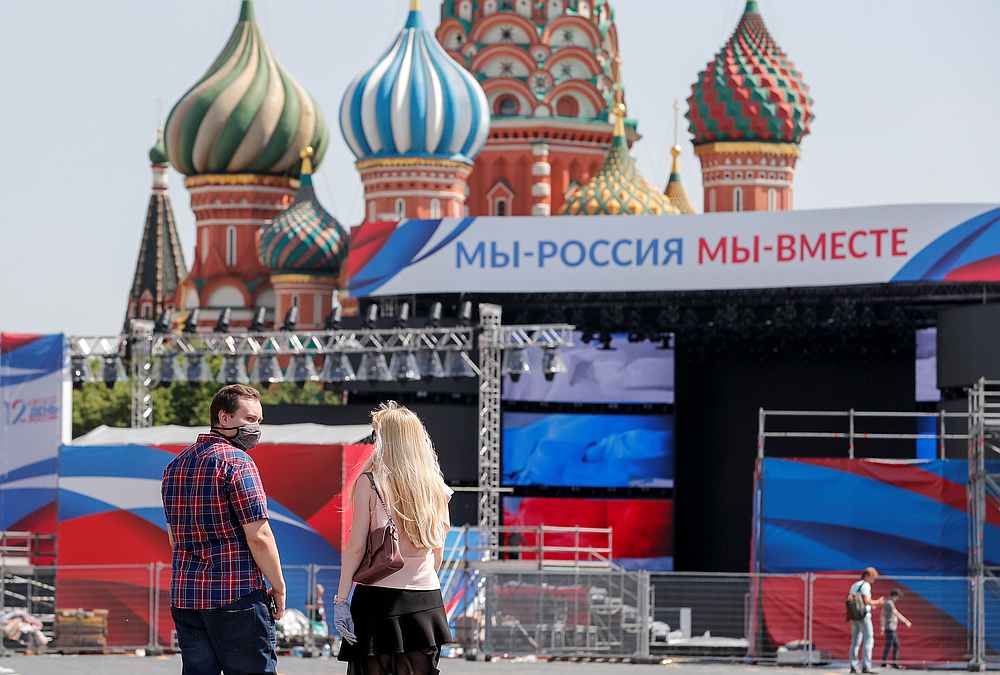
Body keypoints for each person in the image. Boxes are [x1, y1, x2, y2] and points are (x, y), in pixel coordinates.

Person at [161, 384, 284, 675]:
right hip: (236, 594)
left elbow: (173, 537)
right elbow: (259, 535)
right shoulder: (238, 463)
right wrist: (277, 585)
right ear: (224, 418)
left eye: (258, 421)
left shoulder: (175, 466)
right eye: (250, 419)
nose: (256, 428)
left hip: (187, 598)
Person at [335, 401, 453, 675]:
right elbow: (438, 553)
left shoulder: (371, 482)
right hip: (427, 601)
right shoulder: (437, 489)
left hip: (378, 599)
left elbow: (356, 547)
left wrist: (341, 600)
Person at [848, 567, 885, 674]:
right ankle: (866, 666)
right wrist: (878, 602)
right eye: (873, 578)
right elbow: (866, 601)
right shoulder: (866, 585)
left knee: (855, 641)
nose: (874, 580)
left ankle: (853, 666)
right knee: (869, 640)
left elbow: (851, 599)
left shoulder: (855, 585)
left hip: (854, 615)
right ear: (867, 576)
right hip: (864, 616)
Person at [881, 589, 912, 669]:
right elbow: (896, 613)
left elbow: (883, 615)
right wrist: (906, 621)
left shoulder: (888, 602)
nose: (897, 599)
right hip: (890, 627)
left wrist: (882, 627)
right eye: (897, 597)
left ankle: (889, 662)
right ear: (894, 596)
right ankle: (889, 663)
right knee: (893, 645)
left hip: (891, 627)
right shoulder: (889, 603)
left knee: (893, 645)